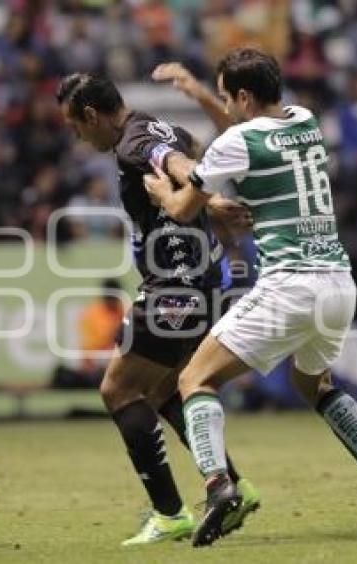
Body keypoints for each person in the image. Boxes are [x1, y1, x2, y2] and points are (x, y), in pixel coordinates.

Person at [143, 48, 357, 548]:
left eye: (226, 96)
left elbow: (182, 208)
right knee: (314, 383)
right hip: (337, 283)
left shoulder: (240, 140)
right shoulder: (305, 119)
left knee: (194, 380)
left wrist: (160, 189)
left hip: (291, 286)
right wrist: (201, 94)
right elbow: (242, 134)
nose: (226, 105)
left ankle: (219, 487)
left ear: (243, 96)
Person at [55, 72, 259, 546]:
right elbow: (199, 154)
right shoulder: (161, 125)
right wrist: (214, 199)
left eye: (75, 126)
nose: (77, 136)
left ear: (91, 115)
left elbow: (181, 165)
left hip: (174, 289)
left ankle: (170, 514)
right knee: (167, 390)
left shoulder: (134, 142)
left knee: (118, 391)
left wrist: (208, 192)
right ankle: (232, 485)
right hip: (202, 284)